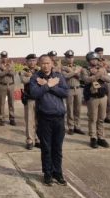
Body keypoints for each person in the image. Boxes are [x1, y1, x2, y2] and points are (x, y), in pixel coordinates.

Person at [27, 54, 69, 186]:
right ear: (39, 64)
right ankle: (48, 174)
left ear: (52, 64)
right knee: (46, 148)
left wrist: (50, 86)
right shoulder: (35, 78)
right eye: (43, 63)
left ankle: (58, 173)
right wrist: (47, 85)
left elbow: (65, 92)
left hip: (59, 117)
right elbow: (34, 93)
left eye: (48, 63)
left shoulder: (58, 76)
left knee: (57, 148)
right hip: (45, 118)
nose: (46, 66)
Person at [81, 52, 110, 149]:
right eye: (92, 59)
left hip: (102, 96)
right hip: (92, 97)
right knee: (93, 119)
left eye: (96, 59)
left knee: (101, 118)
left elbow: (108, 79)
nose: (94, 61)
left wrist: (98, 74)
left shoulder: (101, 69)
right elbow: (86, 80)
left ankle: (101, 137)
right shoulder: (85, 69)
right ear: (89, 61)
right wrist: (97, 75)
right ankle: (93, 137)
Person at [62, 50, 84, 135]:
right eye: (68, 57)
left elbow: (82, 77)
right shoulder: (63, 68)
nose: (70, 59)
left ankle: (77, 126)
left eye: (71, 57)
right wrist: (75, 72)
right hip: (69, 89)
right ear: (65, 58)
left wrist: (72, 72)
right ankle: (71, 127)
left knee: (78, 109)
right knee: (70, 109)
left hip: (78, 89)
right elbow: (65, 76)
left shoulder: (78, 66)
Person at [20, 53, 39, 149]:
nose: (32, 62)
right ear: (27, 62)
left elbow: (43, 80)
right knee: (29, 121)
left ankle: (37, 139)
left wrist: (31, 76)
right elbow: (24, 80)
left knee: (39, 120)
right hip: (29, 99)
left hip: (39, 99)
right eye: (30, 61)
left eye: (34, 60)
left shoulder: (39, 70)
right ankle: (29, 140)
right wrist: (34, 77)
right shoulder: (23, 71)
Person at [0, 51, 17, 126]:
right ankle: (2, 119)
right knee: (2, 103)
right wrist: (8, 69)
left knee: (11, 103)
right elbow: (1, 74)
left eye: (5, 57)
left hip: (11, 85)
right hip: (2, 85)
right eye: (3, 57)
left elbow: (13, 73)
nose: (4, 58)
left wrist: (5, 69)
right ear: (0, 57)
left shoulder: (11, 64)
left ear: (7, 57)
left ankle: (12, 118)